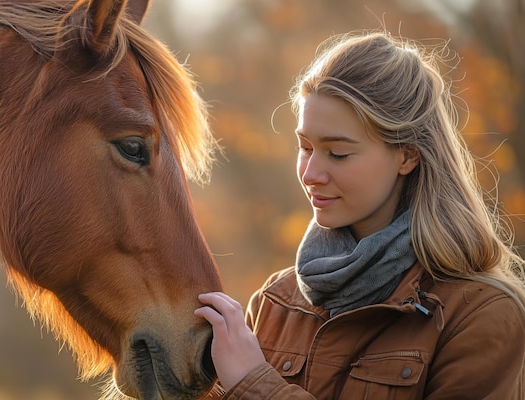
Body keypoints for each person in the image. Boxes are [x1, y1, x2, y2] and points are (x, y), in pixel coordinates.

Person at [195, 31, 525, 399]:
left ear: (407, 156)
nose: (309, 174)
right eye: (305, 147)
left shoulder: (480, 315)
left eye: (338, 153)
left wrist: (255, 384)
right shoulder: (276, 301)